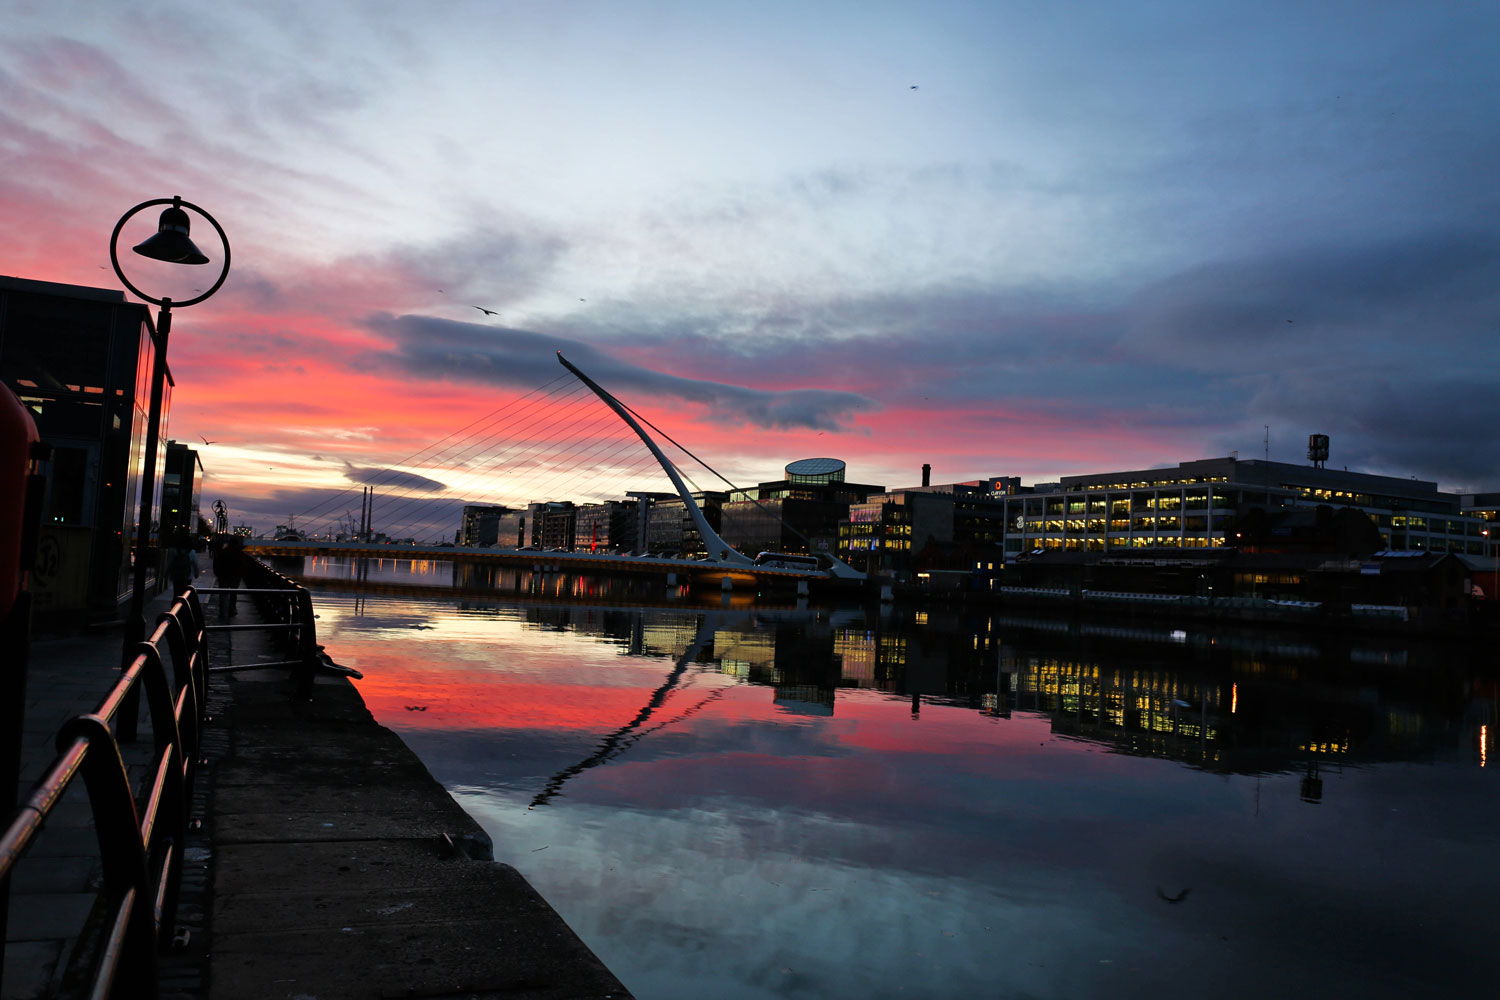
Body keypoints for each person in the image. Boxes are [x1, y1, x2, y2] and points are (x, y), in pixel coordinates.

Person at [211, 535, 246, 615]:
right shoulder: (240, 553)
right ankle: (232, 609)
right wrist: (241, 574)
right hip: (235, 576)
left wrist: (217, 573)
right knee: (233, 593)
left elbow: (217, 563)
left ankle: (222, 610)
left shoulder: (223, 552)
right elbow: (243, 565)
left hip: (223, 575)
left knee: (223, 594)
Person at [168, 530, 195, 596]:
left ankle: (176, 601)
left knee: (176, 592)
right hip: (187, 576)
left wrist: (168, 572)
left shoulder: (175, 551)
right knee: (185, 594)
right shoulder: (192, 552)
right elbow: (195, 564)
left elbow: (170, 562)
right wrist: (196, 573)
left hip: (176, 575)